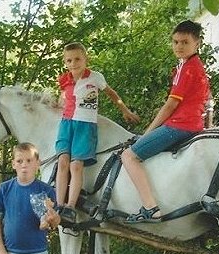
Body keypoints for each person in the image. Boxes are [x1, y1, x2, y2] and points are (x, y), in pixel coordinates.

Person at [121, 20, 210, 223]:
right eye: (175, 41)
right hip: (192, 123)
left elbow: (170, 105)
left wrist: (148, 131)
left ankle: (150, 208)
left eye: (184, 42)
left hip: (180, 125)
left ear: (197, 44)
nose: (179, 46)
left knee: (129, 156)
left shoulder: (188, 68)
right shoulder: (192, 65)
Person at [55, 42, 140, 223]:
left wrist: (125, 110)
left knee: (76, 165)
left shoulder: (94, 77)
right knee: (62, 161)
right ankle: (58, 204)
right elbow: (61, 101)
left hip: (85, 125)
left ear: (86, 59)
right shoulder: (64, 80)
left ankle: (70, 206)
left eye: (77, 59)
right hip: (66, 123)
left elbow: (112, 93)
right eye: (69, 60)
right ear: (65, 62)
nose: (73, 63)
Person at [0, 142, 60, 254]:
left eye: (29, 161)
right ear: (13, 164)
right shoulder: (4, 189)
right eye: (19, 161)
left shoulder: (46, 190)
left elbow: (54, 222)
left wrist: (53, 219)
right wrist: (1, 250)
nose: (24, 165)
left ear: (38, 163)